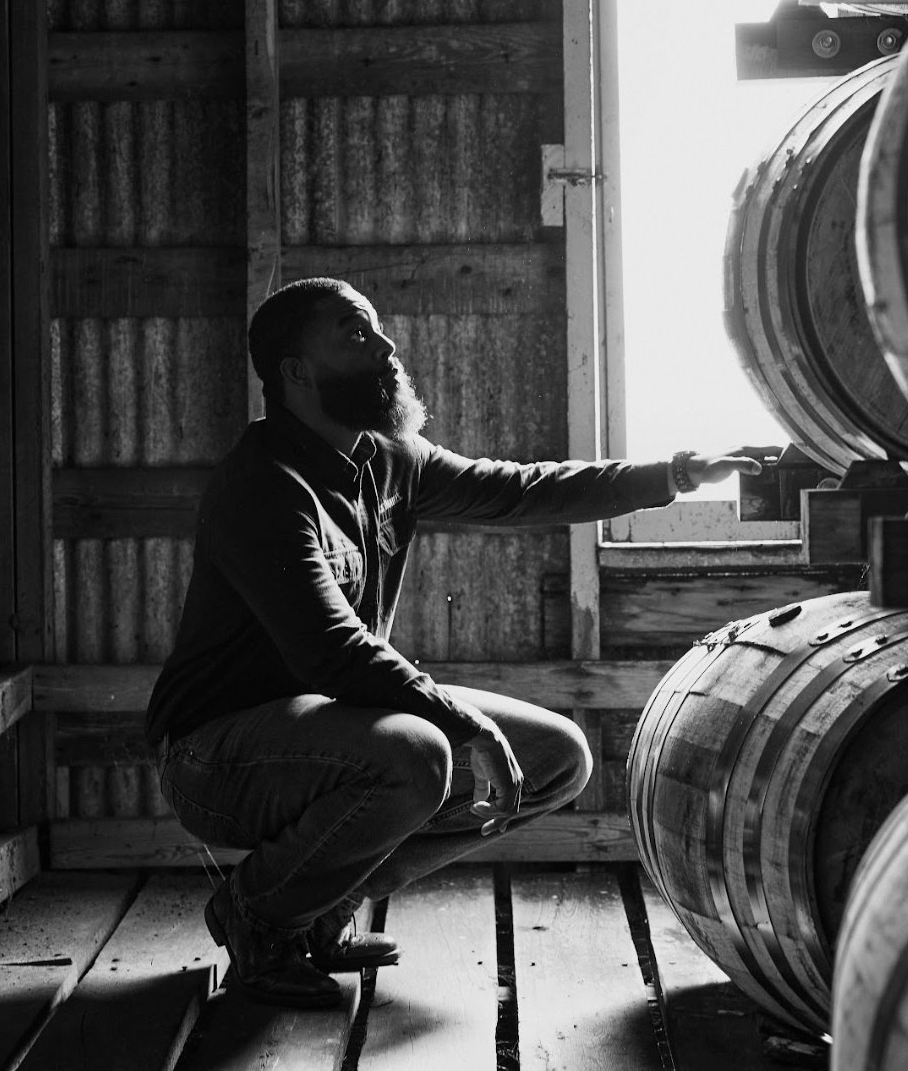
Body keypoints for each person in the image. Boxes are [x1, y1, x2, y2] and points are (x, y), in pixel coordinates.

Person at [144, 278, 761, 1006]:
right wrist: (461, 723)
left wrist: (677, 474)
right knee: (419, 753)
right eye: (354, 332)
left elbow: (522, 490)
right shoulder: (264, 484)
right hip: (214, 758)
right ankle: (255, 915)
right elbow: (332, 652)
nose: (386, 345)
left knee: (557, 757)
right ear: (297, 373)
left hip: (326, 726)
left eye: (376, 327)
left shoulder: (390, 457)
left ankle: (318, 912)